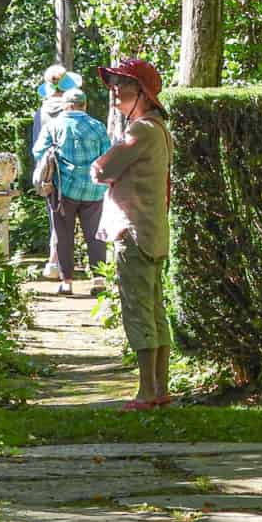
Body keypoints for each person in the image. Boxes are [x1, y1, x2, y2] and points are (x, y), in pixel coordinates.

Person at [92, 59, 173, 409]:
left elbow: (101, 170)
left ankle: (146, 392)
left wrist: (102, 164)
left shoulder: (140, 131)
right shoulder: (159, 129)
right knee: (155, 309)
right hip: (151, 229)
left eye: (122, 84)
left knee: (139, 310)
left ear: (142, 92)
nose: (115, 91)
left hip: (133, 231)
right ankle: (159, 388)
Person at [31, 88, 112, 295]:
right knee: (95, 235)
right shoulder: (97, 126)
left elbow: (38, 151)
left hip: (62, 191)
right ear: (85, 105)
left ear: (65, 105)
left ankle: (67, 281)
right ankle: (99, 280)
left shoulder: (54, 125)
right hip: (94, 191)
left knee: (63, 235)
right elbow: (107, 155)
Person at [32, 64, 81, 278]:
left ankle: (54, 261)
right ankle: (58, 261)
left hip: (50, 170)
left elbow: (36, 146)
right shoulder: (72, 109)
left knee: (55, 214)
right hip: (72, 168)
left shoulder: (41, 112)